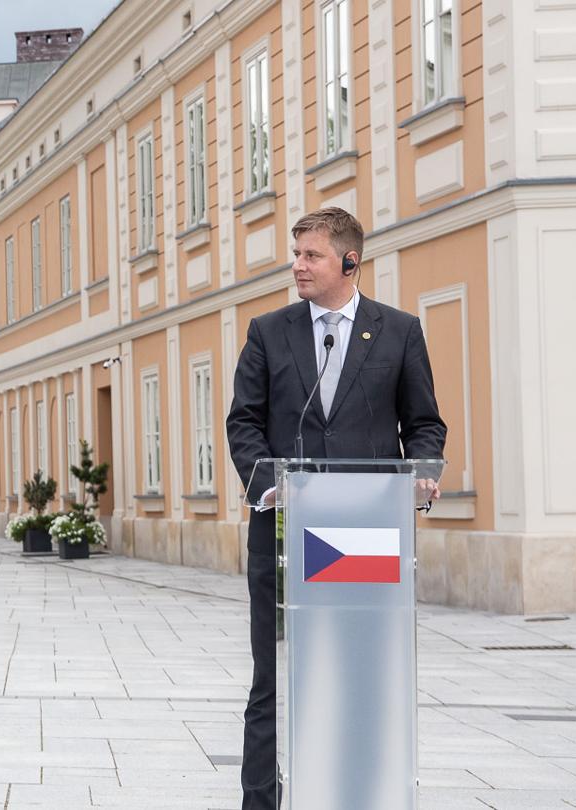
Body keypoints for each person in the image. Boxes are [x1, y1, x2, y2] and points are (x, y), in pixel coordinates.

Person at [224, 207, 445, 810]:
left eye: (311, 255)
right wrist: (269, 485)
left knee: (365, 678)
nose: (297, 266)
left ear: (350, 262)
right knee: (272, 681)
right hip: (284, 538)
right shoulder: (268, 331)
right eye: (296, 254)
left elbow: (424, 425)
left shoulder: (398, 331)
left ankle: (364, 791)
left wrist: (422, 475)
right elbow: (243, 421)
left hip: (367, 538)